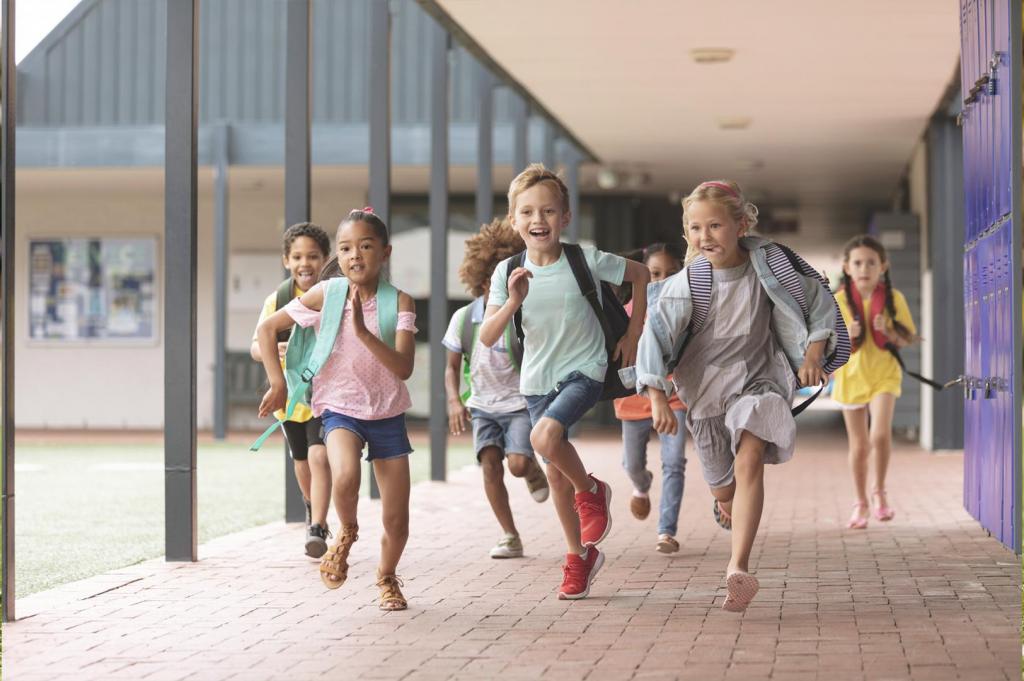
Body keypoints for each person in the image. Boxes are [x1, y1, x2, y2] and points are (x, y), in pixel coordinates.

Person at [637, 180, 847, 611]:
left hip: (760, 380)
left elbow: (819, 301)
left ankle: (738, 567)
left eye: (714, 225)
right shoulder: (687, 283)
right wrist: (657, 394)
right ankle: (726, 503)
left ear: (742, 224)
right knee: (724, 488)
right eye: (695, 228)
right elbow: (653, 335)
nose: (704, 236)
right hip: (705, 393)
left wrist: (812, 353)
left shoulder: (771, 267)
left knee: (750, 457)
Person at [481, 163, 651, 600]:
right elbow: (487, 335)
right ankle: (579, 557)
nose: (539, 220)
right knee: (555, 474)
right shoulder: (507, 272)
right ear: (514, 220)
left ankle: (592, 490)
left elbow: (641, 275)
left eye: (549, 211)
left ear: (566, 217)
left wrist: (633, 333)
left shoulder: (585, 259)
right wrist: (513, 301)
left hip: (586, 368)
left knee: (544, 436)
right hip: (537, 379)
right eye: (528, 213)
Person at [256, 208, 416, 611]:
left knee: (397, 521)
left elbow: (404, 367)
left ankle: (387, 578)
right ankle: (346, 532)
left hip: (388, 415)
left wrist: (362, 332)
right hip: (339, 410)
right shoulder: (327, 294)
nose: (354, 255)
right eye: (345, 248)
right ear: (338, 257)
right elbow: (266, 328)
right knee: (344, 473)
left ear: (385, 252)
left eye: (365, 246)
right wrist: (278, 383)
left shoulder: (399, 302)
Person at [443, 218, 551, 559]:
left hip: (519, 404)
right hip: (482, 406)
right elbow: (450, 368)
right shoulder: (463, 319)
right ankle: (509, 534)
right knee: (490, 464)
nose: (497, 284)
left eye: (505, 276)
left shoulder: (522, 316)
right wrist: (453, 402)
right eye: (491, 277)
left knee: (516, 464)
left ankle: (532, 470)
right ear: (480, 278)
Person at [250, 222, 332, 558]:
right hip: (289, 397)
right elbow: (257, 344)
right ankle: (313, 506)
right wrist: (274, 351)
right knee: (300, 459)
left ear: (325, 259)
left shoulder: (332, 294)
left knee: (318, 454)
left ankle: (318, 526)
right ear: (286, 260)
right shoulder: (278, 300)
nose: (305, 263)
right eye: (297, 256)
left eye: (313, 256)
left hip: (325, 393)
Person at [832, 235, 917, 529]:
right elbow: (827, 345)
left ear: (883, 266)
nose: (864, 268)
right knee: (859, 445)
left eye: (871, 262)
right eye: (857, 262)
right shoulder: (838, 300)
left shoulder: (895, 299)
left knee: (879, 435)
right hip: (850, 377)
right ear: (847, 267)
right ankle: (860, 502)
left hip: (884, 373)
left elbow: (907, 339)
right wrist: (849, 333)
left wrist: (889, 331)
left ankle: (879, 491)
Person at [613, 243, 688, 554]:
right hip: (632, 397)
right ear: (641, 276)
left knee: (674, 463)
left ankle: (666, 531)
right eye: (654, 274)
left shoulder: (686, 309)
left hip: (673, 395)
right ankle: (641, 485)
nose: (662, 280)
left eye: (671, 274)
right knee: (633, 464)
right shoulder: (626, 312)